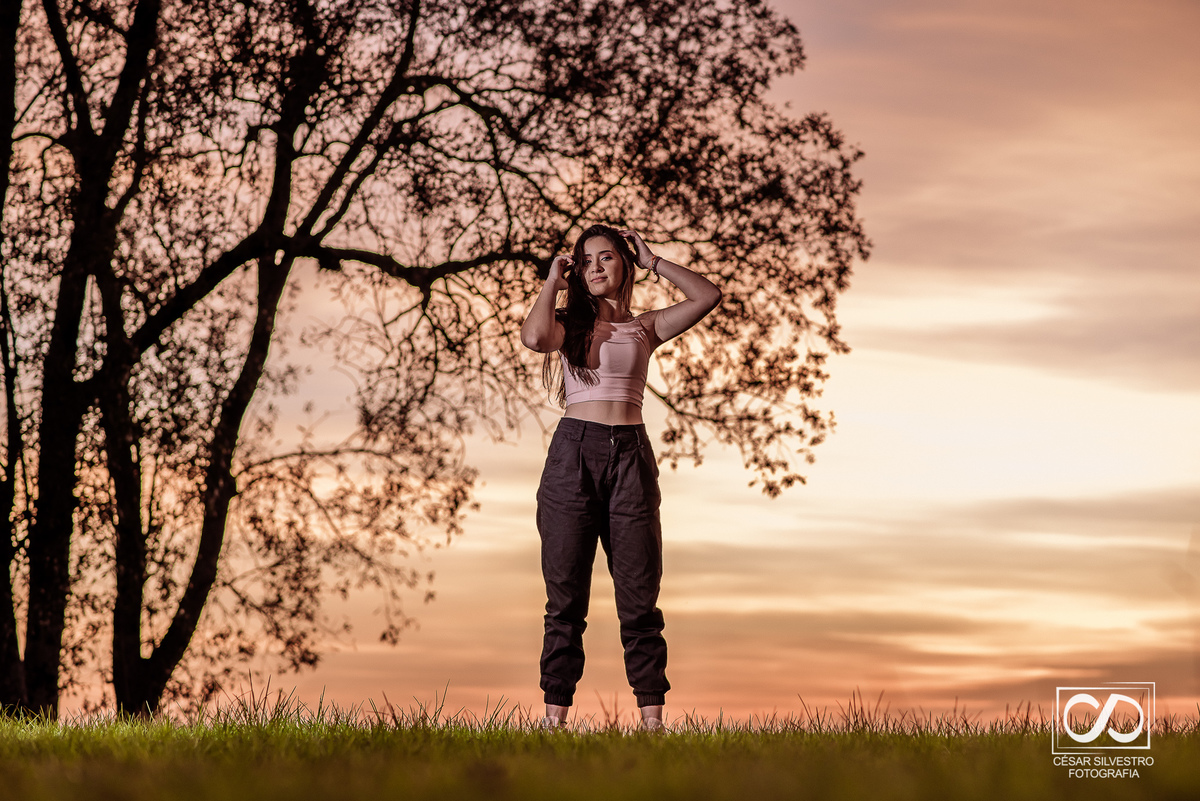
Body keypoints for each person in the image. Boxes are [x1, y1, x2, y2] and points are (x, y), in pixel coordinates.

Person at [520, 224, 722, 732]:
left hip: (631, 456)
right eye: (585, 261)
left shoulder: (644, 328)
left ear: (623, 264)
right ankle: (553, 721)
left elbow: (707, 295)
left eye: (606, 257)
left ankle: (652, 722)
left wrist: (654, 262)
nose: (595, 268)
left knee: (639, 595)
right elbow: (534, 337)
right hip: (573, 456)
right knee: (565, 598)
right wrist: (552, 281)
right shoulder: (568, 324)